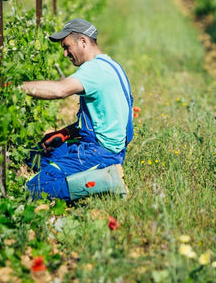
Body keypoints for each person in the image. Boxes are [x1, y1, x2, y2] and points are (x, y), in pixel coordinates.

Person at [21, 18, 133, 201]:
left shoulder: (94, 70)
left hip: (100, 153)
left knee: (34, 188)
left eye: (67, 47)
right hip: (104, 147)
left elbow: (60, 90)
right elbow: (103, 118)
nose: (65, 54)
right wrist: (64, 133)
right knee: (35, 156)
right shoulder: (111, 65)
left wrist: (16, 87)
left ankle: (107, 180)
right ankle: (80, 175)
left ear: (83, 41)